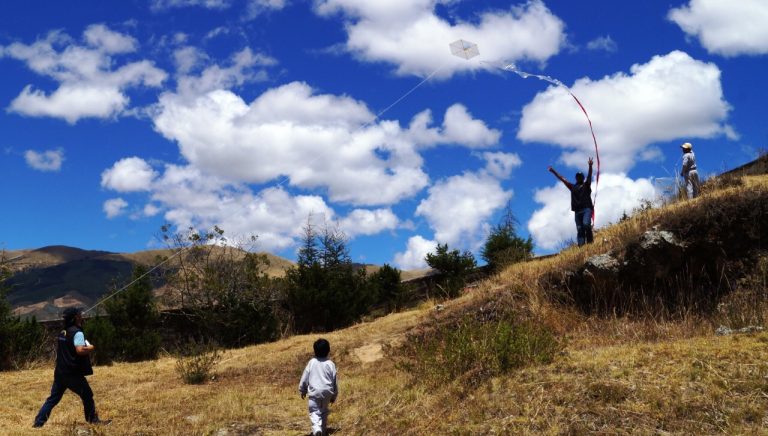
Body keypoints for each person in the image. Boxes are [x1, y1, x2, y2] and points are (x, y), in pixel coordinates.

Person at [33, 307, 108, 428]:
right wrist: (90, 348)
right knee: (87, 395)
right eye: (79, 314)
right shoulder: (77, 333)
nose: (82, 315)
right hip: (72, 373)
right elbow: (79, 350)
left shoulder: (63, 332)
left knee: (53, 399)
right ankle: (92, 420)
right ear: (76, 317)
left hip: (60, 372)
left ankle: (38, 423)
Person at [548, 157, 594, 246]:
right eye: (577, 176)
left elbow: (589, 175)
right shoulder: (573, 187)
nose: (579, 177)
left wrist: (590, 166)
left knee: (586, 224)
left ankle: (590, 242)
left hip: (586, 209)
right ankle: (581, 247)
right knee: (580, 228)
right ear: (576, 178)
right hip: (577, 211)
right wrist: (553, 171)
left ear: (583, 178)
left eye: (580, 176)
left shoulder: (586, 185)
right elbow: (562, 179)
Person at [298, 338, 338, 436]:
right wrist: (334, 396)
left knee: (314, 411)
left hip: (314, 392)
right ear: (328, 351)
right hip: (327, 392)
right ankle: (323, 431)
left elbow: (305, 377)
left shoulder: (312, 362)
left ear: (314, 351)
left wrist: (302, 389)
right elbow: (334, 382)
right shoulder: (330, 364)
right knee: (324, 412)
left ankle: (316, 429)